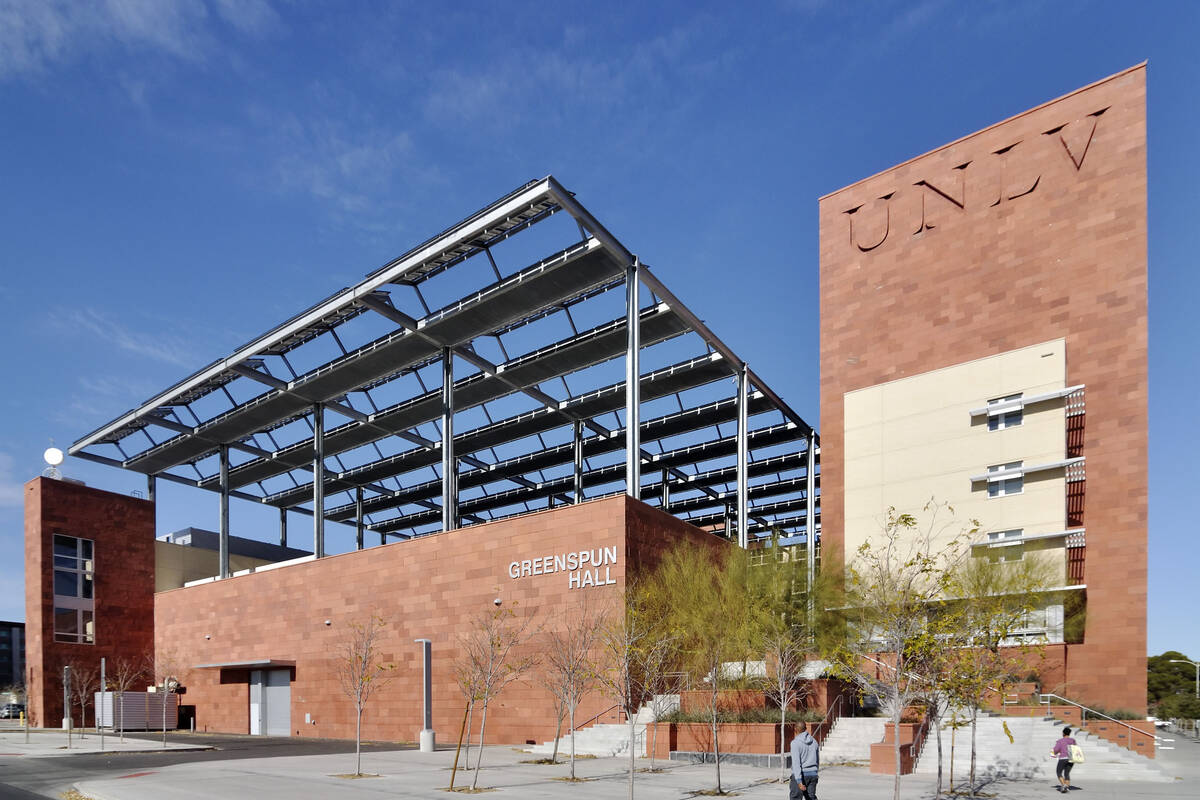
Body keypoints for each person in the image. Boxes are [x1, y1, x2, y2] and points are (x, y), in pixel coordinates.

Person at [789, 722, 820, 800]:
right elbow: (817, 760)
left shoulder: (795, 743)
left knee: (795, 798)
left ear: (795, 729)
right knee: (811, 798)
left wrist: (799, 781)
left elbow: (796, 763)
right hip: (813, 775)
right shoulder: (814, 741)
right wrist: (816, 772)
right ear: (806, 729)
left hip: (801, 775)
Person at [1050, 725, 1078, 793]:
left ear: (1063, 733)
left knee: (1059, 772)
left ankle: (1064, 785)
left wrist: (1053, 752)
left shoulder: (1060, 741)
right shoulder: (1073, 740)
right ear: (1069, 733)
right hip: (1071, 759)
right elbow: (1075, 748)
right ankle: (1067, 787)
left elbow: (1056, 750)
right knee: (1067, 773)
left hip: (1063, 758)